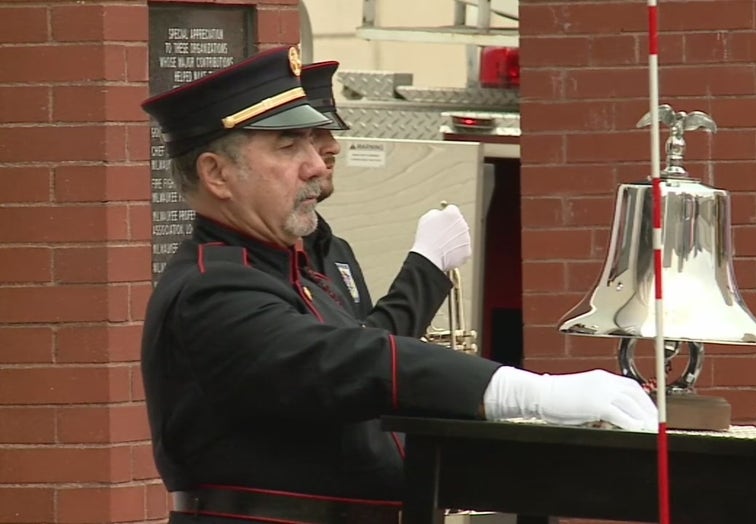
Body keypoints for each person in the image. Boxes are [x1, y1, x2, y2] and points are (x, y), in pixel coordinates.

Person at [140, 45, 659, 524]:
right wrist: (527, 393)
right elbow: (352, 364)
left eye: (312, 144)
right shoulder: (215, 288)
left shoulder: (296, 270)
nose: (317, 163)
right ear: (217, 175)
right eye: (287, 145)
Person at [298, 60, 458, 337]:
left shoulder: (336, 250)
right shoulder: (271, 262)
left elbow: (370, 345)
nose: (334, 146)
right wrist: (427, 264)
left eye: (330, 133)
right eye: (314, 136)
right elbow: (361, 359)